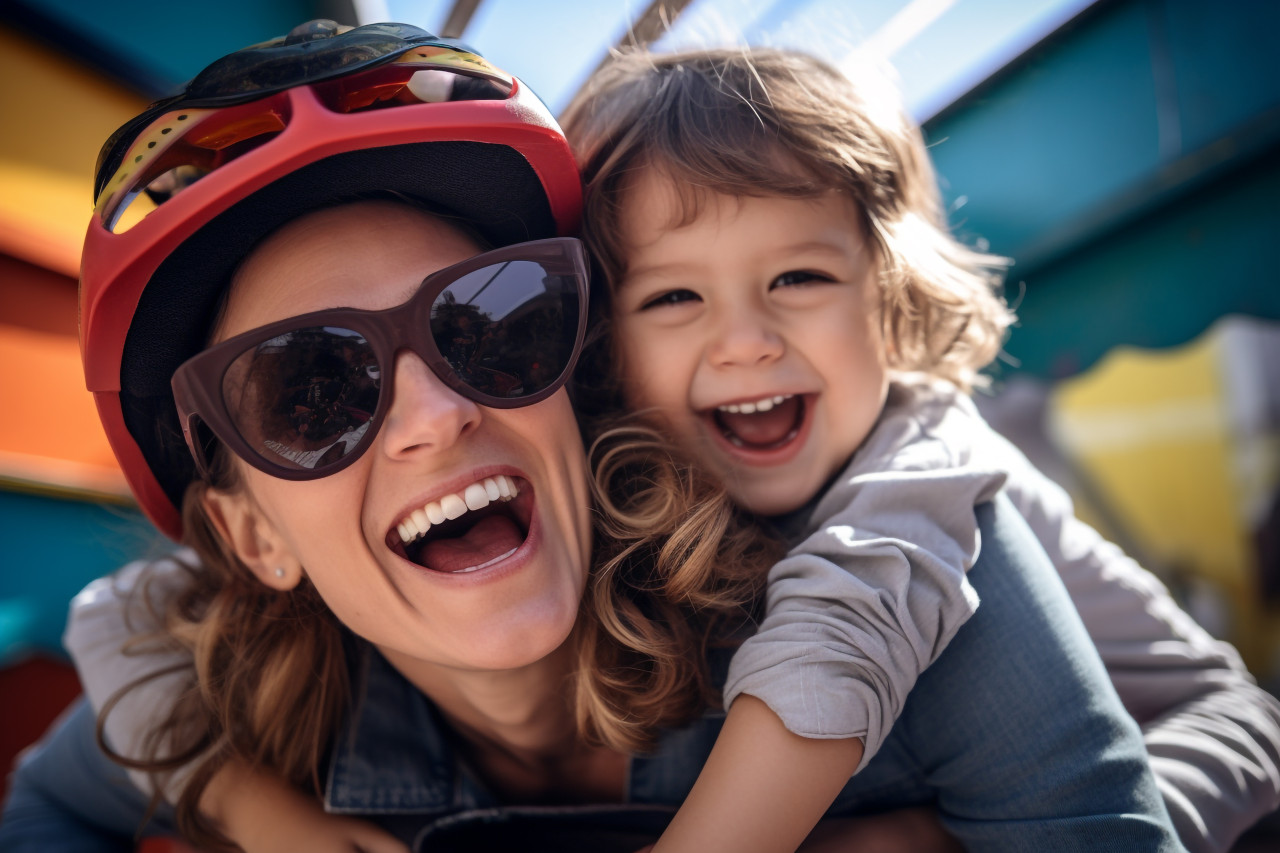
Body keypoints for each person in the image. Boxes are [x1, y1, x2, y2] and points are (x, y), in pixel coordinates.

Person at [0, 20, 1208, 853]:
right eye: (309, 391)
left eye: (493, 324)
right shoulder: (226, 704)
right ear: (250, 536)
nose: (435, 412)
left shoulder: (915, 581)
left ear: (574, 382)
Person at [556, 46, 1280, 853]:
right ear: (606, 348)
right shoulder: (641, 490)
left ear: (891, 293)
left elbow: (848, 621)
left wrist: (942, 841)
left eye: (799, 277)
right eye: (674, 296)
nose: (746, 341)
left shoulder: (927, 448)